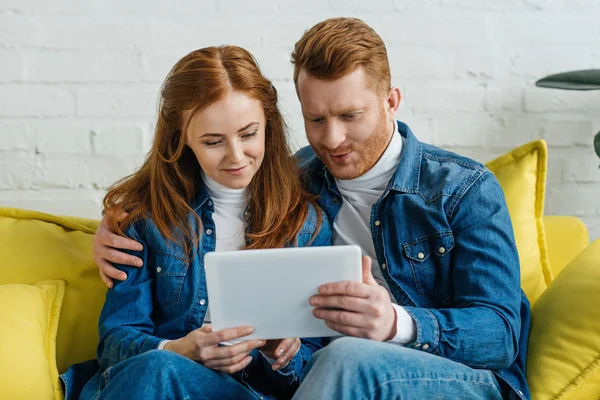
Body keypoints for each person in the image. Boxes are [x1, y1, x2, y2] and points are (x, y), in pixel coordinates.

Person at [95, 18, 531, 400]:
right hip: (325, 376)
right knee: (335, 358)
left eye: (350, 115)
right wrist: (113, 221)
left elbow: (500, 335)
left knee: (346, 357)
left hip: (456, 379)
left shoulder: (463, 189)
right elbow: (194, 189)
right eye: (316, 120)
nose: (333, 140)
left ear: (391, 101)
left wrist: (395, 323)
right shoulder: (296, 182)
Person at [63, 45, 332, 400]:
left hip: (247, 392)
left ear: (269, 125)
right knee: (160, 369)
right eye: (213, 142)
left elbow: (315, 365)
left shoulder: (305, 223)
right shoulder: (147, 218)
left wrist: (283, 353)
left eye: (249, 134)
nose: (236, 156)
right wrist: (178, 349)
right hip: (156, 382)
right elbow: (115, 342)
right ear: (183, 139)